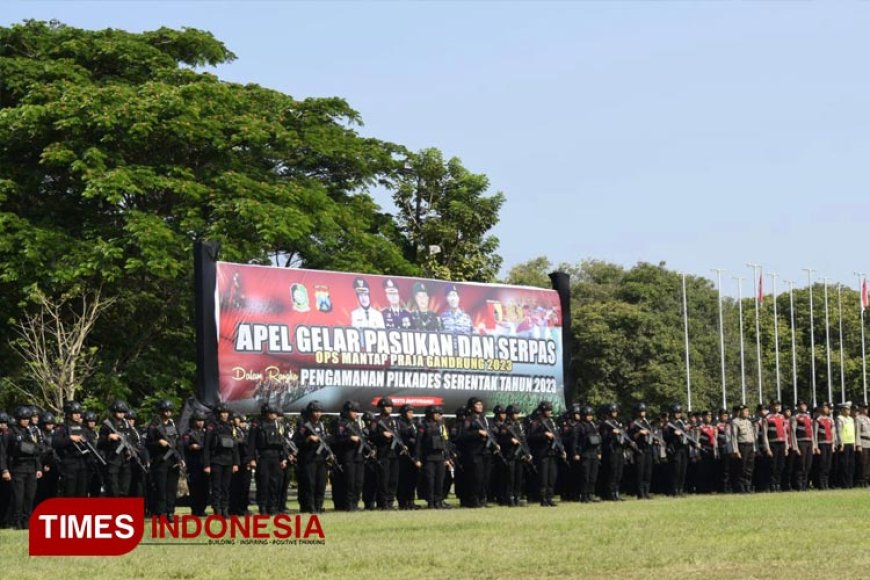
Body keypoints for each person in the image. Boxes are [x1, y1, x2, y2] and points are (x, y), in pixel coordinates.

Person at [0, 406, 43, 529]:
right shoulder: (10, 433)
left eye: (27, 418)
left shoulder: (31, 431)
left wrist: (38, 468)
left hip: (31, 467)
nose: (26, 421)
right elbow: (3, 453)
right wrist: (4, 469)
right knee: (18, 497)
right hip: (17, 468)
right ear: (18, 419)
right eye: (23, 418)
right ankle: (17, 521)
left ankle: (27, 521)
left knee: (30, 496)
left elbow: (37, 450)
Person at [146, 399, 184, 521]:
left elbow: (178, 443)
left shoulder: (172, 425)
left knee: (171, 488)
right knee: (161, 489)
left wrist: (181, 458)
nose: (168, 413)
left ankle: (170, 512)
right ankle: (160, 513)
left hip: (173, 460)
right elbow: (147, 444)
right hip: (160, 461)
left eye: (169, 411)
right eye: (165, 411)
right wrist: (158, 443)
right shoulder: (154, 426)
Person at [247, 404, 288, 515]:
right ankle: (263, 507)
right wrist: (251, 459)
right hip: (263, 457)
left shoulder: (279, 425)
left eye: (275, 413)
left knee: (275, 483)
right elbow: (251, 444)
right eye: (271, 413)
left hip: (276, 457)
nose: (274, 415)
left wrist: (284, 458)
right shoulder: (257, 425)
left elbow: (283, 443)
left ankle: (272, 506)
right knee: (263, 483)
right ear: (266, 414)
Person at [204, 403, 240, 516]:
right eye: (222, 413)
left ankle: (225, 508)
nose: (224, 415)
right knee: (216, 487)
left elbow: (235, 447)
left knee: (226, 487)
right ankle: (217, 508)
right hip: (216, 460)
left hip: (228, 461)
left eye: (226, 413)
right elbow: (206, 447)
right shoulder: (212, 427)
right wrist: (206, 464)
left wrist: (236, 463)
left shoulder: (231, 427)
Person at [294, 401, 330, 513]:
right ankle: (309, 506)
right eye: (315, 411)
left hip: (321, 459)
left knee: (321, 483)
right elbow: (296, 441)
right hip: (309, 459)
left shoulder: (322, 425)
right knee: (310, 484)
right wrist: (308, 439)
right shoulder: (304, 426)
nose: (318, 414)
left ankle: (319, 505)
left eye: (319, 411)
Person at [331, 401, 366, 511]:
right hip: (348, 457)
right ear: (347, 411)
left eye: (357, 411)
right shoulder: (341, 423)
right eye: (353, 411)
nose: (355, 413)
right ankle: (349, 504)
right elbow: (335, 440)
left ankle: (355, 503)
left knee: (358, 483)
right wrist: (349, 439)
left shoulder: (356, 424)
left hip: (358, 457)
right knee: (349, 482)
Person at [414, 405, 451, 509]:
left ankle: (438, 501)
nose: (439, 415)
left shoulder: (442, 426)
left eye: (440, 414)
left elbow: (445, 442)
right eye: (436, 413)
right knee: (430, 481)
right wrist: (417, 458)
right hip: (428, 457)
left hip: (440, 457)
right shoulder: (423, 426)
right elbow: (418, 443)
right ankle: (430, 502)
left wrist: (447, 458)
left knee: (440, 480)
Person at [527, 400, 563, 507]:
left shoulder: (551, 422)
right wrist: (544, 435)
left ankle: (549, 497)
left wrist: (562, 449)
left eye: (550, 410)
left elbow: (557, 436)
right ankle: (543, 499)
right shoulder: (536, 422)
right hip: (542, 452)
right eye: (547, 410)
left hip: (552, 452)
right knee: (543, 477)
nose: (549, 412)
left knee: (552, 476)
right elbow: (531, 437)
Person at [52, 400, 90, 497]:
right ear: (69, 414)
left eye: (79, 413)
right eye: (75, 413)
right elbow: (55, 443)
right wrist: (69, 439)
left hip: (82, 463)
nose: (78, 416)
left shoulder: (83, 428)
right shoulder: (62, 428)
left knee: (82, 493)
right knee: (69, 493)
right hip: (69, 464)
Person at [97, 401, 135, 497]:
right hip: (113, 460)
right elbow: (99, 444)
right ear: (114, 412)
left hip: (125, 461)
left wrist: (130, 449)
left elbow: (131, 439)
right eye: (119, 412)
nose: (122, 414)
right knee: (113, 489)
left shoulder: (126, 424)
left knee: (125, 489)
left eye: (123, 412)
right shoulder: (107, 425)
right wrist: (108, 438)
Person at [370, 398, 403, 509]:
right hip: (383, 453)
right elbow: (372, 437)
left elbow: (399, 435)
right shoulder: (376, 421)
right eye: (386, 406)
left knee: (393, 480)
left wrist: (402, 444)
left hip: (395, 454)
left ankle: (390, 502)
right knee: (384, 479)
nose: (389, 408)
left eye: (390, 406)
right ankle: (383, 503)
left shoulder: (394, 421)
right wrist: (382, 435)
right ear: (381, 408)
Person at [182, 411, 208, 516]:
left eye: (202, 420)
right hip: (193, 464)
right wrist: (192, 447)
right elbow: (185, 446)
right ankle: (195, 509)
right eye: (199, 420)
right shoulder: (188, 434)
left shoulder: (206, 433)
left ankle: (202, 509)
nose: (201, 423)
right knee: (194, 488)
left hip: (204, 463)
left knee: (205, 487)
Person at [599, 403, 627, 501]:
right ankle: (610, 493)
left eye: (615, 411)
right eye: (612, 411)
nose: (615, 413)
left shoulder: (617, 423)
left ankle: (616, 491)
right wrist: (612, 433)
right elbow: (603, 438)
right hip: (611, 450)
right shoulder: (605, 424)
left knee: (619, 473)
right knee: (612, 473)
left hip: (619, 449)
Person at [759, 400, 788, 492]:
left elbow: (785, 433)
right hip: (772, 444)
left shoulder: (782, 417)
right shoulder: (767, 418)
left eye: (778, 405)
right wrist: (767, 448)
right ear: (771, 406)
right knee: (772, 465)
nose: (777, 407)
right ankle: (771, 484)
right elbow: (764, 435)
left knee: (781, 465)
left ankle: (778, 483)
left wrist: (786, 447)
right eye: (775, 405)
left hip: (782, 443)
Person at [663, 404, 691, 497]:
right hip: (675, 449)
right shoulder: (669, 424)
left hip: (683, 448)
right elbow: (665, 437)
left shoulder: (681, 423)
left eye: (679, 413)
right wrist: (674, 434)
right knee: (676, 470)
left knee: (683, 470)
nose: (678, 415)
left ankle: (680, 489)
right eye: (676, 413)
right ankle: (674, 489)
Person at [628, 403, 654, 500]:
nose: (643, 413)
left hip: (648, 448)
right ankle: (640, 493)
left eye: (644, 411)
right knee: (640, 472)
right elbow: (630, 438)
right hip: (639, 449)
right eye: (641, 411)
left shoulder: (647, 422)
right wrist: (639, 433)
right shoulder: (634, 423)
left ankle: (646, 492)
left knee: (648, 472)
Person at [396, 404, 420, 510]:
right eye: (409, 412)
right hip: (403, 454)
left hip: (413, 454)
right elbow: (399, 436)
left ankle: (411, 501)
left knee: (413, 480)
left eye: (412, 412)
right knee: (403, 480)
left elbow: (416, 436)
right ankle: (403, 502)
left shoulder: (413, 423)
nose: (411, 414)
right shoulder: (398, 423)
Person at [789, 401, 815, 491]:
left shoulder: (808, 417)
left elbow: (812, 431)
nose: (804, 407)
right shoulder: (795, 417)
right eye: (801, 405)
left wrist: (814, 445)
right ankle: (799, 485)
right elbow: (793, 432)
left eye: (805, 405)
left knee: (808, 465)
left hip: (809, 443)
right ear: (798, 407)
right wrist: (795, 447)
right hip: (801, 442)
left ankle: (805, 484)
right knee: (801, 465)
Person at [731, 405, 757, 494]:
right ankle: (741, 487)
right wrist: (735, 450)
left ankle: (748, 486)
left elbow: (752, 435)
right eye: (744, 411)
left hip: (750, 446)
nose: (746, 413)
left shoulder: (749, 422)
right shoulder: (735, 422)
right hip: (742, 446)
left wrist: (754, 448)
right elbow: (734, 437)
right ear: (740, 412)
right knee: (742, 467)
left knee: (749, 467)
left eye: (747, 411)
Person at [814, 402, 838, 490]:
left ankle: (826, 483)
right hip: (822, 443)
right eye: (824, 407)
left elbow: (833, 433)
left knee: (828, 465)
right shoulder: (818, 419)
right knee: (822, 464)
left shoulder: (830, 420)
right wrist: (816, 447)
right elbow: (815, 433)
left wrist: (833, 445)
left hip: (829, 444)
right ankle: (821, 484)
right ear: (820, 409)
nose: (826, 409)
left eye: (827, 407)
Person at [835, 402, 856, 489]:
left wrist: (854, 444)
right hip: (844, 444)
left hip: (851, 443)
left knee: (851, 464)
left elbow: (853, 432)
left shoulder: (851, 419)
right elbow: (839, 432)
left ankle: (850, 483)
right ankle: (844, 483)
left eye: (849, 409)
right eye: (847, 409)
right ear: (842, 410)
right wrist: (841, 443)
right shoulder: (840, 419)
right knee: (844, 464)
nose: (848, 411)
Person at [856, 403, 870, 488]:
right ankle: (862, 481)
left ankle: (867, 480)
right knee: (863, 463)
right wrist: (858, 444)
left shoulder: (868, 419)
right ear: (860, 409)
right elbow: (857, 432)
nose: (866, 410)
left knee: (869, 463)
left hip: (869, 442)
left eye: (866, 408)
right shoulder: (858, 419)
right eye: (864, 408)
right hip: (863, 442)